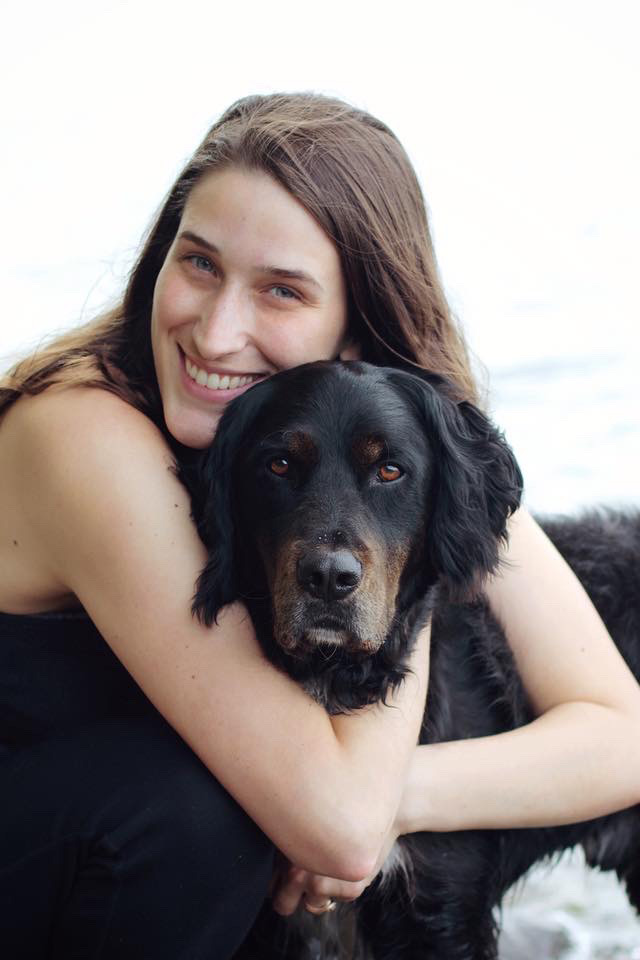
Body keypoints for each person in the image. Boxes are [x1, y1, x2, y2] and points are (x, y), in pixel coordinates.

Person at [1, 92, 638, 957]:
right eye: (198, 264)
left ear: (355, 336)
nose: (218, 332)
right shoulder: (84, 434)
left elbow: (620, 733)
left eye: (281, 290)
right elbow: (337, 826)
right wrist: (346, 800)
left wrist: (400, 794)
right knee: (216, 803)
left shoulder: (388, 443)